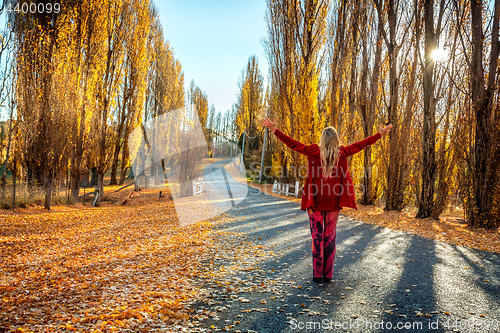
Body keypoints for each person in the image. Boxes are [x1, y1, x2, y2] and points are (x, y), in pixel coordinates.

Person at [261, 118, 392, 283]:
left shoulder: (313, 151)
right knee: (330, 238)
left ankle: (317, 274)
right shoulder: (342, 153)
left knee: (317, 237)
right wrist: (379, 135)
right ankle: (328, 274)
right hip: (333, 204)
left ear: (322, 139)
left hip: (315, 203)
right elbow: (361, 145)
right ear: (336, 140)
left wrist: (275, 130)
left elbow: (292, 144)